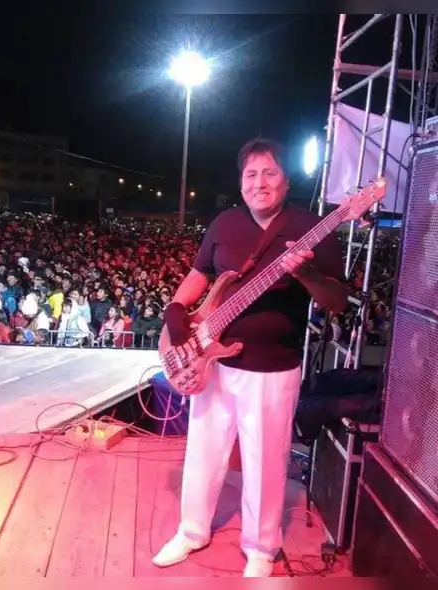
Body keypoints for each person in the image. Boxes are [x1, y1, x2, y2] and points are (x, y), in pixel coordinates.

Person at [152, 138, 347, 577]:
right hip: (213, 360)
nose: (260, 183)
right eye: (251, 174)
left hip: (272, 369)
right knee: (203, 450)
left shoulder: (312, 227)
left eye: (269, 173)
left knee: (265, 458)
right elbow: (199, 274)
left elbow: (336, 300)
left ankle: (260, 547)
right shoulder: (225, 223)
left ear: (286, 179)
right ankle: (191, 530)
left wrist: (307, 272)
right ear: (241, 183)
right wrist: (176, 312)